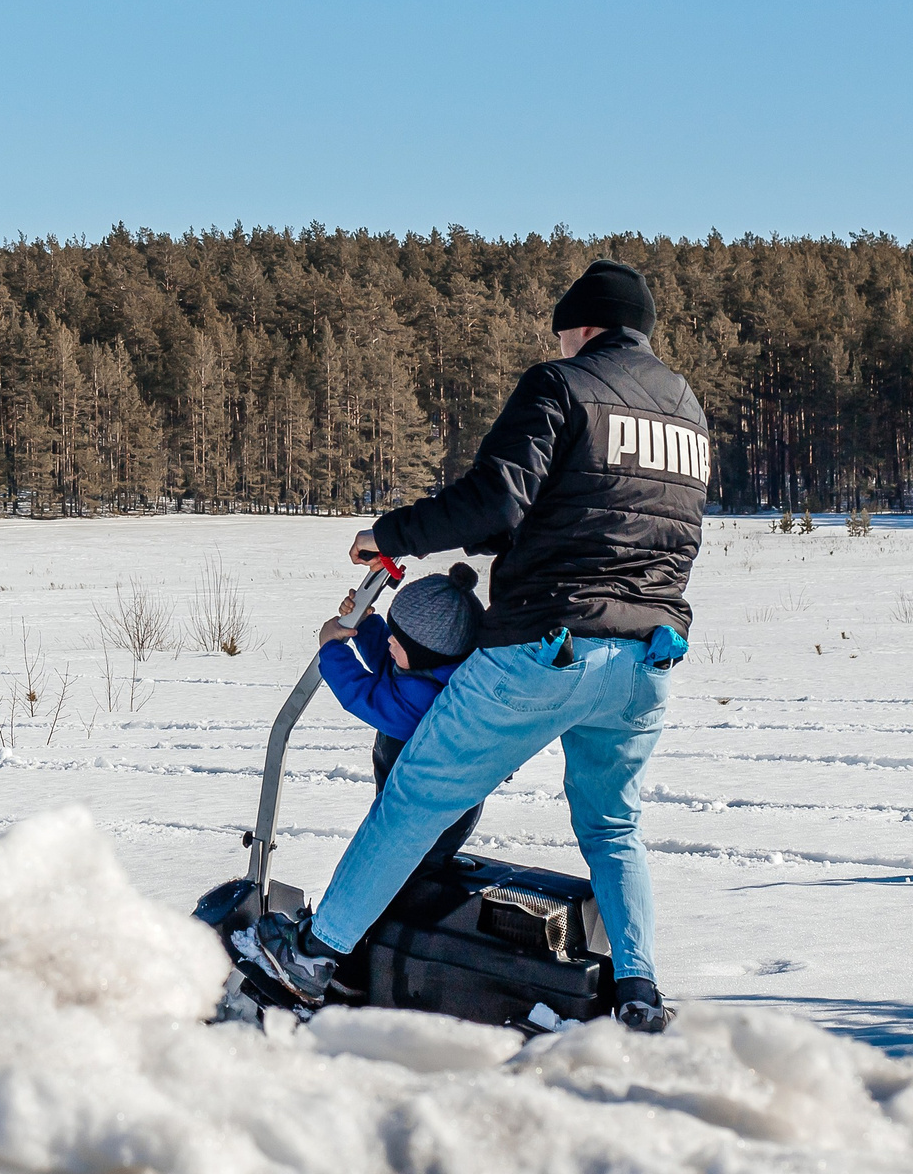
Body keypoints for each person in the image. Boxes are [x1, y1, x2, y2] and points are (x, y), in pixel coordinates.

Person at [239, 258, 706, 1036]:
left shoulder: (563, 385)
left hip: (545, 647)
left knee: (416, 798)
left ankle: (313, 959)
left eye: (562, 329)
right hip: (648, 657)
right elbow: (561, 518)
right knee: (613, 826)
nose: (558, 341)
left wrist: (389, 533)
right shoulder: (685, 411)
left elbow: (496, 496)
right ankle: (637, 989)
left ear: (582, 325)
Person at [313, 563, 488, 880]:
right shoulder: (430, 664)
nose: (390, 640)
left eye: (399, 639)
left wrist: (330, 647)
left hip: (426, 820)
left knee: (398, 866)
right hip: (412, 800)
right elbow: (390, 658)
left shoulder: (425, 703)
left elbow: (363, 695)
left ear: (426, 653)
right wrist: (363, 624)